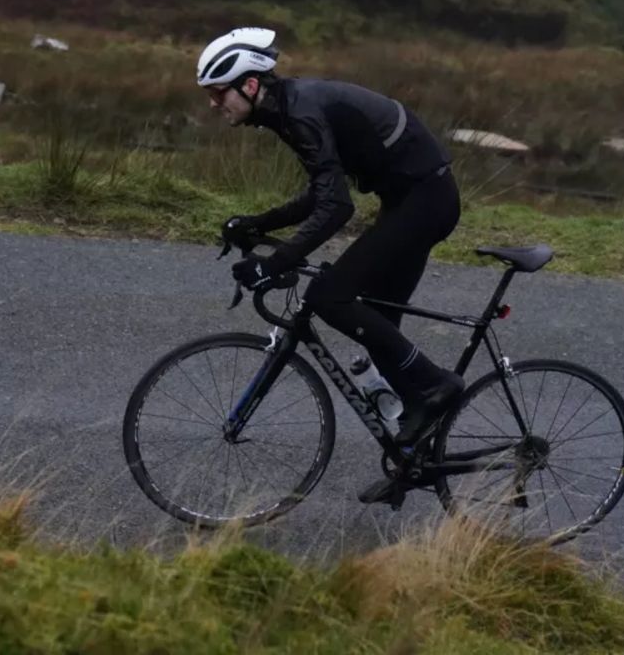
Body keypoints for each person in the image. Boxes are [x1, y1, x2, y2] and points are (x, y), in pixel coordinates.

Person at [198, 27, 465, 501]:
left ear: (251, 85)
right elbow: (321, 194)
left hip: (425, 201)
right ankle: (413, 463)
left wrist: (278, 260)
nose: (214, 105)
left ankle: (435, 385)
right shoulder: (288, 109)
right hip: (410, 200)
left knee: (329, 295)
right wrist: (258, 222)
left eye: (219, 94)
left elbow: (336, 207)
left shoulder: (299, 112)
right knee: (378, 320)